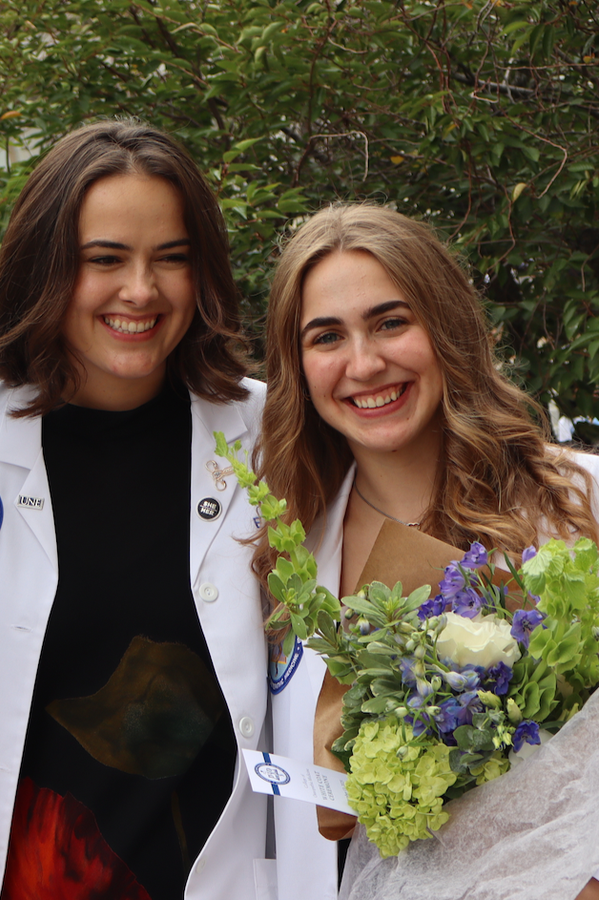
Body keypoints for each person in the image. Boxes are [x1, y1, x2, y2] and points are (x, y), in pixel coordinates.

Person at [0, 120, 333, 900]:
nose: (141, 290)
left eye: (172, 258)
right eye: (105, 259)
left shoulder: (273, 433)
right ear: (47, 268)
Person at [255, 202, 599, 898]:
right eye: (327, 336)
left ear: (446, 326)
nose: (364, 363)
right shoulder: (278, 557)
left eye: (391, 322)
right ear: (297, 366)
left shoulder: (581, 501)